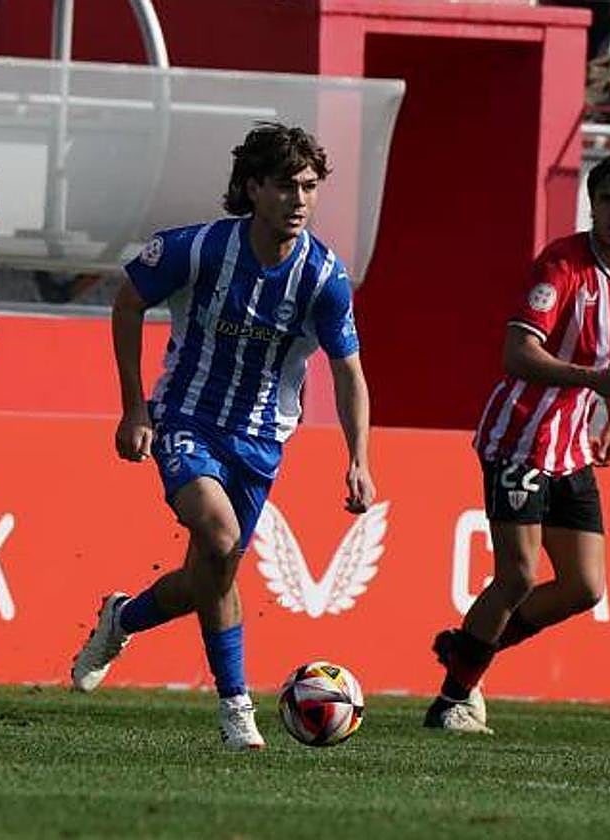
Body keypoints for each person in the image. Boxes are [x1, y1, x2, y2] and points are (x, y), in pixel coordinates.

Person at [71, 122, 375, 750]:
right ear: (252, 188)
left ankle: (122, 617)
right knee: (219, 536)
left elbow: (348, 372)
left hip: (262, 441)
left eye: (311, 187)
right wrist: (135, 409)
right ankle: (238, 709)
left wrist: (359, 459)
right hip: (185, 419)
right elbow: (127, 303)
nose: (300, 200)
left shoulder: (323, 277)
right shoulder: (198, 249)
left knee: (210, 574)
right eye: (287, 186)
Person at [424, 152, 610, 734]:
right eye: (606, 199)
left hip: (572, 446)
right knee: (519, 575)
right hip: (519, 437)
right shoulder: (560, 264)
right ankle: (452, 699)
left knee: (584, 586)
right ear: (592, 205)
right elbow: (517, 353)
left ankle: (470, 648)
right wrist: (591, 380)